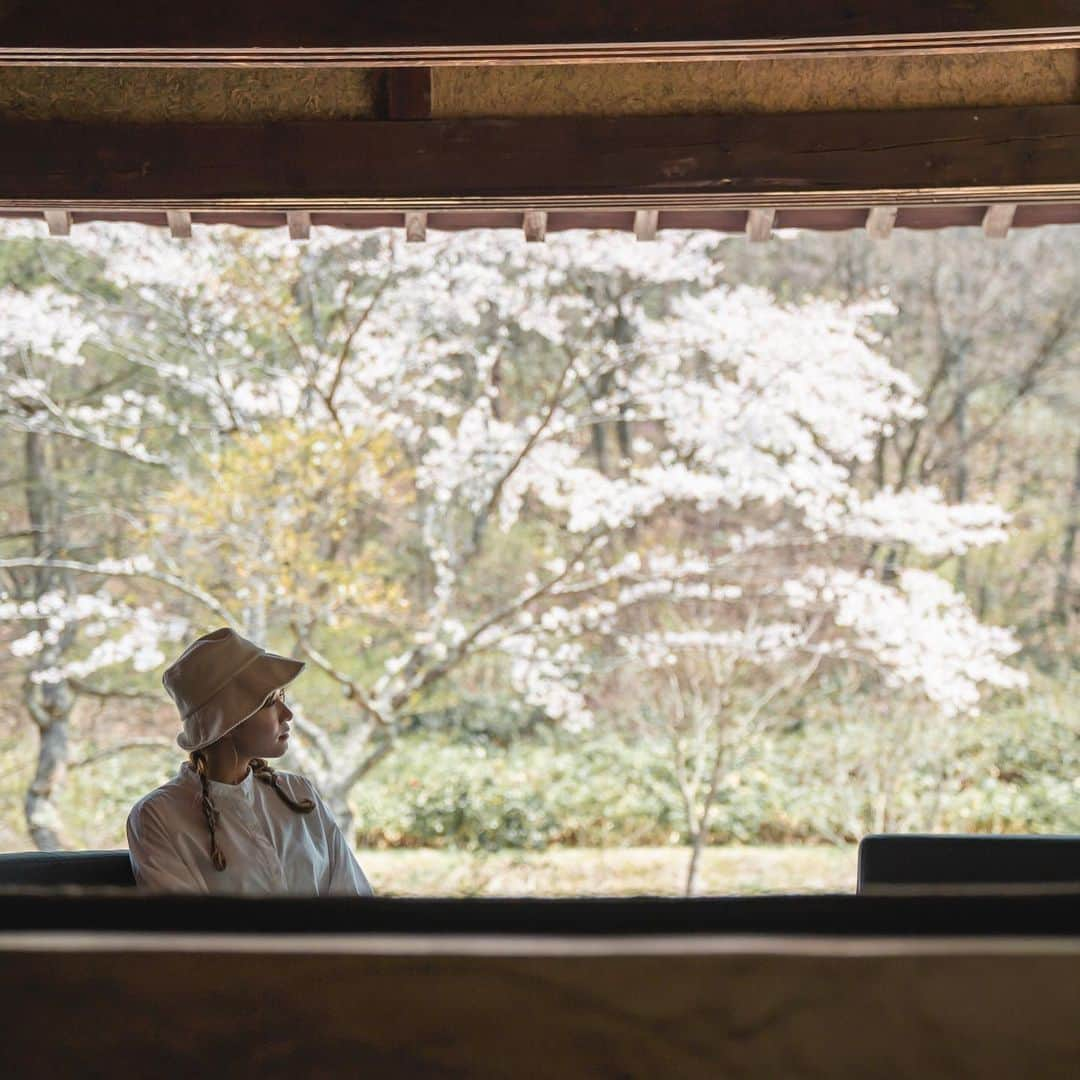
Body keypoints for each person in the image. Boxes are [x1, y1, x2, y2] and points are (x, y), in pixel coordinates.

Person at [126, 626, 374, 896]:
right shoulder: (159, 816)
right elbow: (188, 933)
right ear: (229, 721)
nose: (288, 713)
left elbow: (357, 904)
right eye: (270, 701)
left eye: (283, 697)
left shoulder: (300, 794)